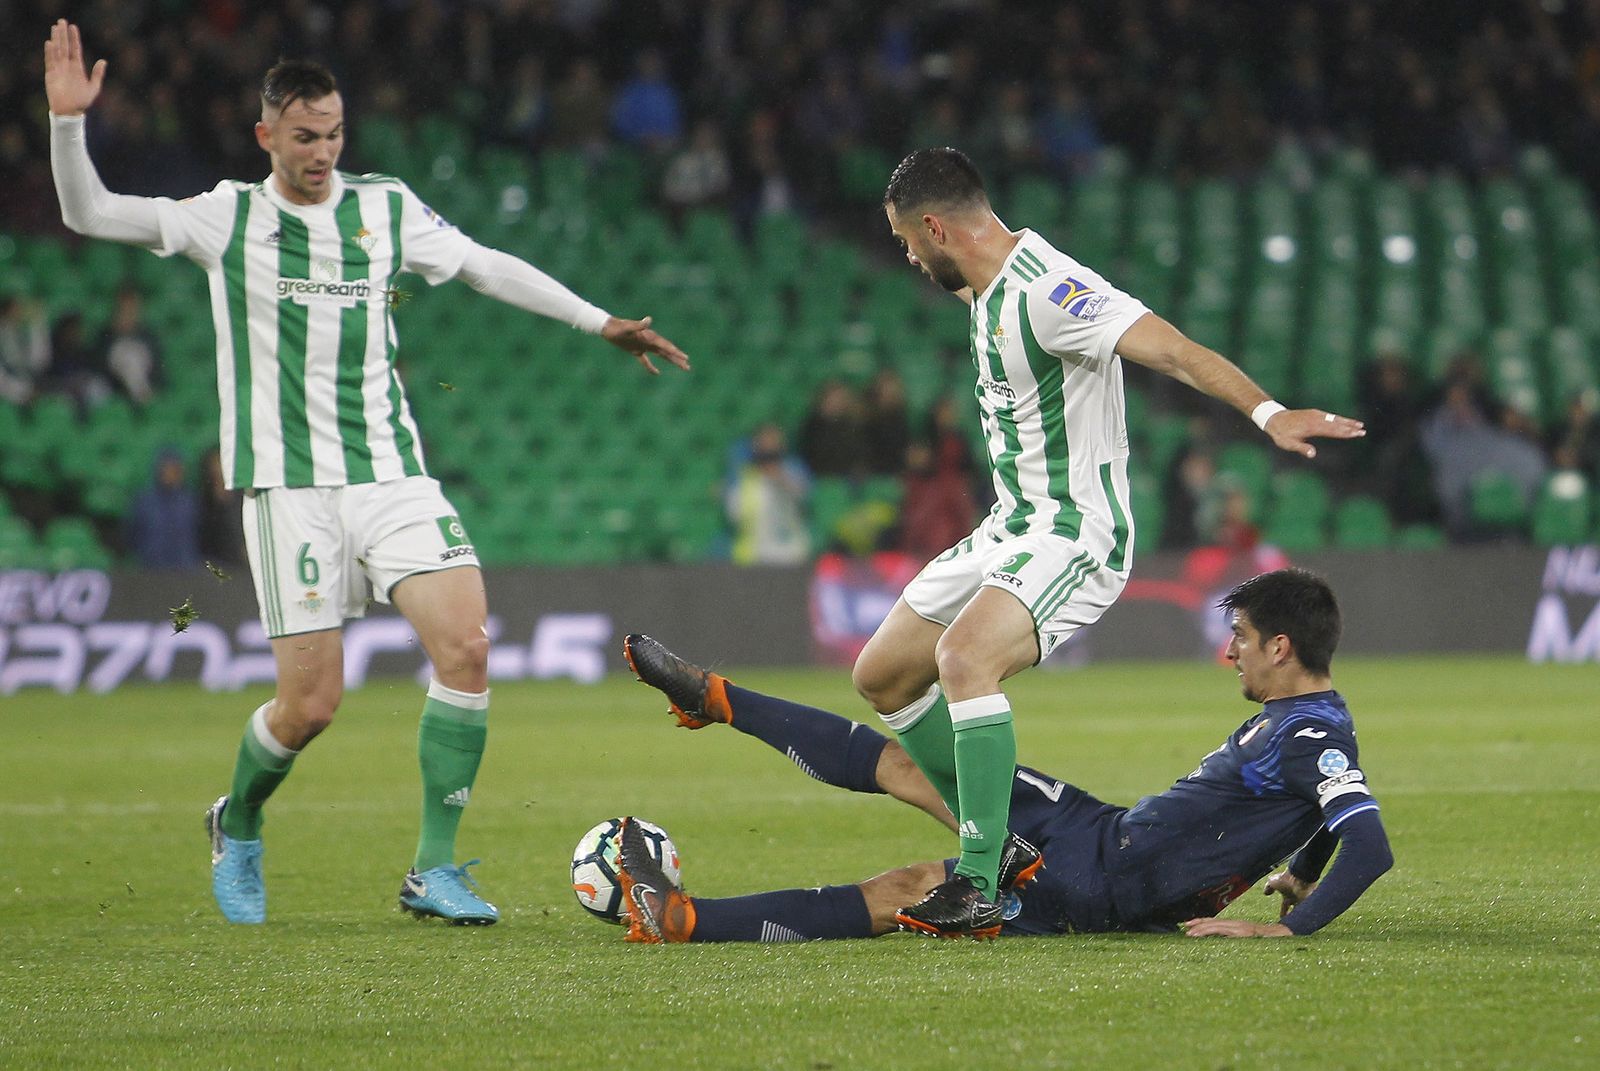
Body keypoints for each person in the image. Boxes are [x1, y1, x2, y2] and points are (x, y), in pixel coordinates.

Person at [45, 20, 689, 926]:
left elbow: (480, 265)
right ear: (265, 135)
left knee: (465, 646)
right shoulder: (226, 217)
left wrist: (597, 320)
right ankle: (239, 819)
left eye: (334, 133)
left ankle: (434, 868)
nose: (321, 152)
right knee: (310, 705)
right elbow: (88, 212)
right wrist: (68, 125)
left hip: (391, 472)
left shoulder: (384, 208)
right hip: (289, 487)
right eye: (303, 136)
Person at [846, 148, 1365, 936]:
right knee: (881, 675)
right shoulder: (984, 288)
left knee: (963, 659)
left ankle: (981, 876)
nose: (907, 258)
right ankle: (999, 833)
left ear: (934, 226)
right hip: (1011, 524)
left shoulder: (1053, 292)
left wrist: (1268, 413)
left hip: (1074, 530)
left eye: (905, 241)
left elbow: (1175, 350)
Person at [615, 568, 1392, 943]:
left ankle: (681, 917)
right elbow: (1329, 807)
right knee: (921, 768)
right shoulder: (1311, 724)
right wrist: (1300, 871)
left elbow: (1371, 840)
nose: (1231, 653)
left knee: (912, 884)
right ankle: (713, 698)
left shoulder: (1310, 730)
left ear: (1281, 646)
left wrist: (1288, 927)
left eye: (1244, 639)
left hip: (1102, 880)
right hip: (1103, 835)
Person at [124, 445, 201, 569]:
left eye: (174, 469)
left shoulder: (191, 502)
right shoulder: (144, 501)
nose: (170, 474)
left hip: (185, 570)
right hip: (151, 568)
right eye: (166, 468)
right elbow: (132, 534)